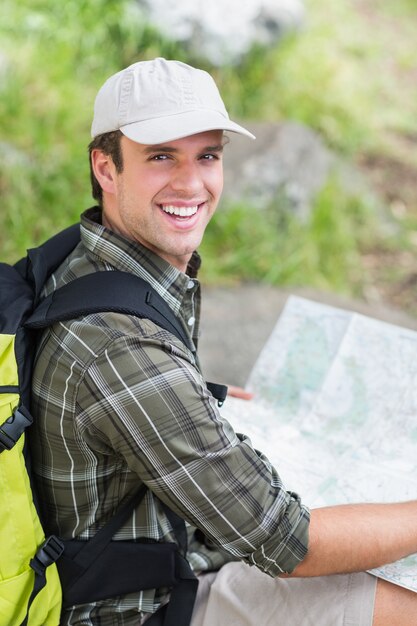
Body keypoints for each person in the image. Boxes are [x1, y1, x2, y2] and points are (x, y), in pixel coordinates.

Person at [30, 57, 417, 626]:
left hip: (164, 553)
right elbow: (286, 543)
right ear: (105, 167)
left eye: (207, 156)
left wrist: (200, 400)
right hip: (139, 610)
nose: (191, 183)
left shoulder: (82, 260)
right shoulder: (122, 349)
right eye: (161, 156)